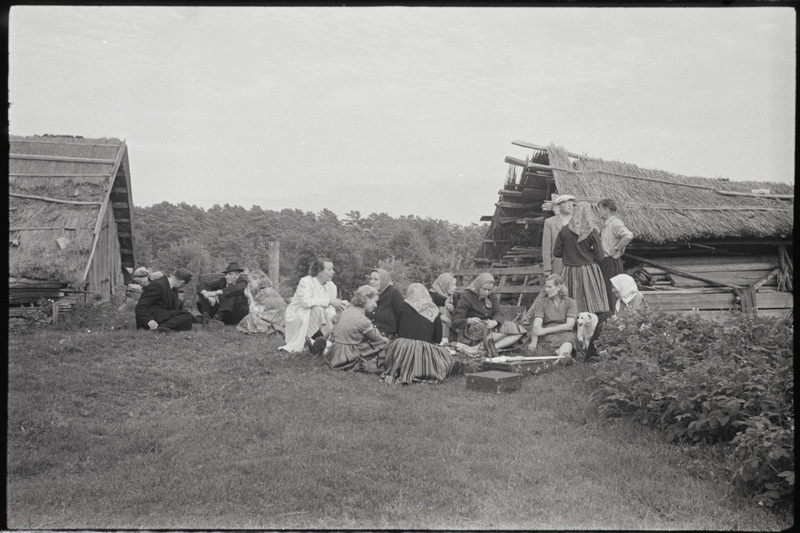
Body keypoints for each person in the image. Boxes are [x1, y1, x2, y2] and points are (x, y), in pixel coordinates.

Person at [381, 283, 455, 385]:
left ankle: (401, 369)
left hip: (402, 348)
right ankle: (423, 370)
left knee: (389, 347)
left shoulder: (402, 306)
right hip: (424, 350)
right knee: (446, 355)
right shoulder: (433, 310)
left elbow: (397, 329)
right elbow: (437, 338)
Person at [279, 257, 348, 354]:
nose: (333, 272)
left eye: (333, 269)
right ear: (319, 271)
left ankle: (319, 344)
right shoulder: (306, 281)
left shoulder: (332, 286)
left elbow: (330, 308)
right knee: (318, 309)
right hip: (299, 313)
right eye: (329, 269)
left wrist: (335, 316)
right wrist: (329, 301)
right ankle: (317, 343)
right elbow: (305, 302)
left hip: (320, 317)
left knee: (341, 311)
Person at [553, 202, 610, 314]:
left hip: (568, 269)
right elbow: (600, 256)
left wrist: (570, 254)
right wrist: (588, 254)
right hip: (588, 270)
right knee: (591, 298)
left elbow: (556, 252)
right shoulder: (592, 231)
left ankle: (569, 320)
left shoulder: (564, 230)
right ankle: (593, 320)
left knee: (569, 296)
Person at [450, 272, 525, 356]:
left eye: (489, 290)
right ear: (478, 285)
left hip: (490, 326)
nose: (486, 292)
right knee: (493, 329)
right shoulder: (467, 297)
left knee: (518, 330)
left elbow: (499, 313)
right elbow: (455, 320)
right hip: (473, 329)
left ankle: (488, 349)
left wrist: (495, 322)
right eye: (484, 289)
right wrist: (469, 320)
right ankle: (476, 348)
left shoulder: (492, 296)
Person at [325, 285, 390, 371]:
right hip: (346, 354)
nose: (376, 305)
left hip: (335, 351)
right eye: (375, 301)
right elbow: (377, 339)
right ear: (366, 299)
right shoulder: (363, 320)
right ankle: (375, 364)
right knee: (384, 344)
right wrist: (387, 340)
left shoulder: (349, 309)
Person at [526, 274, 579, 361]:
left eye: (549, 287)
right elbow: (537, 325)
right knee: (567, 341)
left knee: (570, 339)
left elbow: (569, 325)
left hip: (564, 332)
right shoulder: (541, 302)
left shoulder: (570, 302)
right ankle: (563, 356)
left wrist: (545, 330)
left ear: (558, 288)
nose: (546, 290)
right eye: (545, 287)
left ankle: (562, 356)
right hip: (547, 335)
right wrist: (533, 342)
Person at [597, 198, 634, 311]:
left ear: (607, 209)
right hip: (606, 262)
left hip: (611, 262)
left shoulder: (615, 223)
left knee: (612, 291)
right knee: (608, 291)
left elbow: (628, 236)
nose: (599, 212)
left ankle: (614, 317)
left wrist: (616, 248)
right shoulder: (607, 224)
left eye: (600, 209)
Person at [134, 268, 195, 333]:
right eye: (184, 285)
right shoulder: (157, 285)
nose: (182, 287)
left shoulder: (173, 289)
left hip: (163, 316)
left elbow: (174, 309)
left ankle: (161, 328)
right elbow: (141, 306)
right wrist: (149, 320)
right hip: (152, 317)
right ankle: (157, 328)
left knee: (187, 321)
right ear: (182, 283)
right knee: (186, 317)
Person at [196, 262, 250, 329]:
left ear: (237, 275)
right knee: (202, 292)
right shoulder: (223, 281)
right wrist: (206, 294)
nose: (227, 277)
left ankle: (215, 320)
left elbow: (235, 289)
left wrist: (216, 293)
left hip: (237, 314)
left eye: (230, 274)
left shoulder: (242, 282)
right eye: (226, 274)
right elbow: (202, 284)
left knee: (230, 293)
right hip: (223, 314)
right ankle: (206, 317)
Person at [236, 270, 287, 336]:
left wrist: (250, 298)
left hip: (279, 321)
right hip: (270, 318)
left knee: (250, 318)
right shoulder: (260, 292)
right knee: (249, 318)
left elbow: (256, 312)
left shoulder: (268, 292)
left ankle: (273, 330)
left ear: (257, 280)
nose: (248, 284)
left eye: (249, 282)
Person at [365, 268, 405, 340]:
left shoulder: (393, 293)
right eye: (371, 279)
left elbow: (402, 315)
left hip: (387, 339)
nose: (371, 282)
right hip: (369, 336)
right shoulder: (368, 294)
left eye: (376, 279)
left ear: (384, 280)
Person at [542, 195, 575, 276]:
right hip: (558, 265)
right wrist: (547, 269)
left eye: (571, 204)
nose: (570, 206)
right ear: (559, 206)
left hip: (575, 265)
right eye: (566, 204)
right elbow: (546, 247)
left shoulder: (578, 222)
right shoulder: (550, 222)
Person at [429, 272, 457, 343]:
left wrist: (451, 311)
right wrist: (445, 318)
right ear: (445, 285)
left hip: (450, 331)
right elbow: (429, 312)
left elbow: (457, 314)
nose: (455, 287)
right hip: (435, 329)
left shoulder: (453, 297)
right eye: (452, 285)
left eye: (455, 284)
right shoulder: (432, 295)